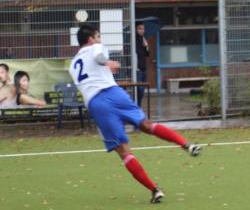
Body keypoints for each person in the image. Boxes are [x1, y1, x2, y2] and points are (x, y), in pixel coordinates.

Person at [68, 23, 201, 204]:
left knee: (124, 151)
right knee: (146, 124)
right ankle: (186, 144)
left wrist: (105, 66)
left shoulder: (73, 64)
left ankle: (154, 190)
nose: (100, 40)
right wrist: (106, 61)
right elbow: (99, 56)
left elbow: (91, 76)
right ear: (91, 39)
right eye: (98, 36)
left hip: (97, 104)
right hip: (114, 94)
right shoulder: (96, 47)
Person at [135, 21, 149, 107]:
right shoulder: (134, 39)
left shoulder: (143, 39)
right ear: (136, 29)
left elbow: (147, 54)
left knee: (142, 89)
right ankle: (137, 106)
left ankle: (138, 106)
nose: (142, 30)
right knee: (139, 89)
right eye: (140, 28)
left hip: (143, 68)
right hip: (137, 68)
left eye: (143, 28)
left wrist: (146, 46)